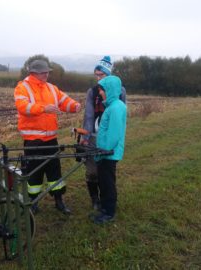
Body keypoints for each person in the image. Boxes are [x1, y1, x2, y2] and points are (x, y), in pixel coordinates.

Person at [14, 59, 81, 215]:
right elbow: (23, 107)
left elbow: (64, 101)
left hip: (51, 140)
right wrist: (44, 108)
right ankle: (33, 203)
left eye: (47, 72)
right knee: (33, 173)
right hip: (33, 141)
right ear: (34, 73)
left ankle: (59, 201)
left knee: (54, 172)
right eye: (44, 72)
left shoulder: (51, 88)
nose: (47, 74)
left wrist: (74, 106)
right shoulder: (22, 88)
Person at [81, 56, 126, 211]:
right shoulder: (92, 92)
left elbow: (120, 115)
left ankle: (107, 200)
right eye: (96, 75)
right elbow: (88, 115)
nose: (98, 79)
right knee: (92, 170)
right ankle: (95, 199)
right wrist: (86, 137)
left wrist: (114, 140)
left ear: (109, 75)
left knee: (106, 171)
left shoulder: (120, 92)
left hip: (109, 139)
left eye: (101, 75)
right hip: (94, 135)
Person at [91, 75, 127, 224]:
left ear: (110, 90)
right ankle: (105, 208)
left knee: (108, 183)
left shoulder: (117, 108)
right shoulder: (111, 106)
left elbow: (113, 135)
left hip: (109, 153)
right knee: (103, 182)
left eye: (102, 90)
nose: (100, 93)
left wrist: (102, 151)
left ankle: (109, 212)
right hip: (104, 152)